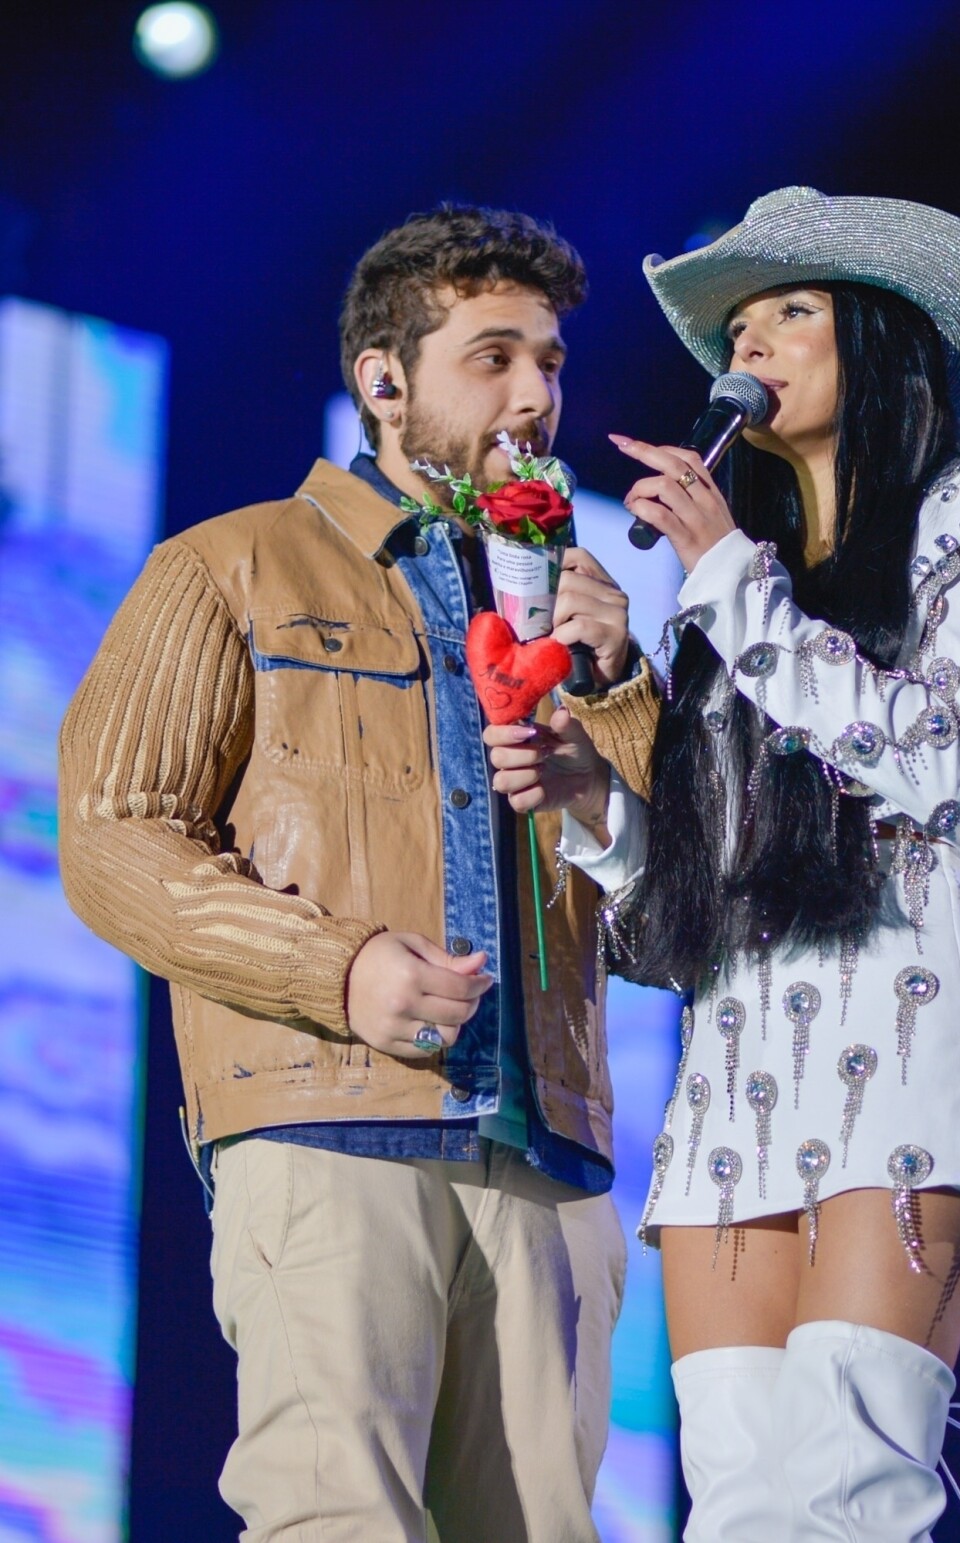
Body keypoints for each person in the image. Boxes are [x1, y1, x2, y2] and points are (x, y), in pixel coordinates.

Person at [485, 185, 960, 1540]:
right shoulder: (730, 598)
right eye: (737, 325)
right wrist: (594, 805)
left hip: (905, 1040)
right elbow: (680, 915)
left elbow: (937, 759)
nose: (749, 345)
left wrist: (724, 578)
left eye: (791, 311)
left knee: (846, 1495)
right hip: (732, 1076)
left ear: (880, 337)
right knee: (742, 1501)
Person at [57, 202, 656, 1542]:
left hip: (546, 1152)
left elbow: (687, 912)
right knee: (339, 1523)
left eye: (551, 362)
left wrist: (617, 689)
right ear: (383, 379)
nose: (535, 395)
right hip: (330, 1122)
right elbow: (114, 838)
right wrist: (336, 969)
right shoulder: (234, 565)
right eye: (492, 356)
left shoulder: (569, 605)